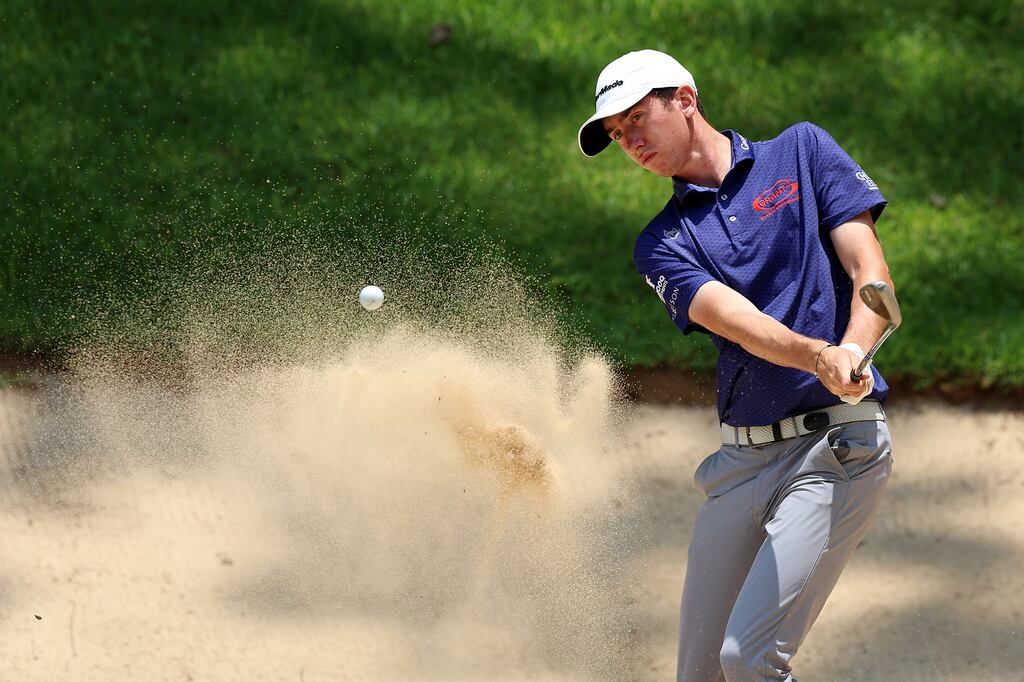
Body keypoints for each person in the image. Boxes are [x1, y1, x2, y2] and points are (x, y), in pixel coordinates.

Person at [577, 50, 896, 681]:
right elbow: (740, 324)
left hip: (836, 448)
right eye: (617, 134)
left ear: (686, 99)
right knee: (701, 676)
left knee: (747, 661)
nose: (631, 141)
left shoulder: (801, 152)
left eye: (638, 117)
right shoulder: (661, 243)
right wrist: (817, 354)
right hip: (743, 462)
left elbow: (873, 279)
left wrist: (853, 351)